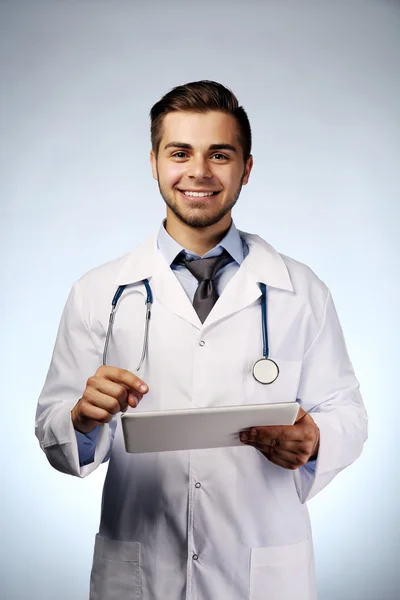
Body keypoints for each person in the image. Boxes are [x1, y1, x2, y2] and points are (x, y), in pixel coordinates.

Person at [35, 80, 368, 600]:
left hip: (261, 568)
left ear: (246, 168)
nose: (199, 172)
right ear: (154, 163)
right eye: (180, 152)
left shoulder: (300, 290)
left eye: (220, 154)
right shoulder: (99, 292)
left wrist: (317, 438)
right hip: (143, 567)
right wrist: (81, 418)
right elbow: (55, 433)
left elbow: (346, 411)